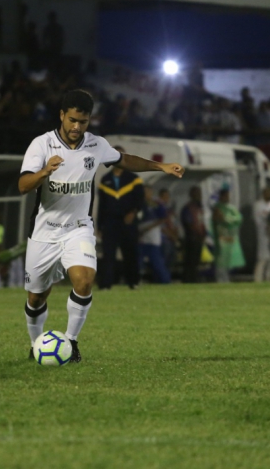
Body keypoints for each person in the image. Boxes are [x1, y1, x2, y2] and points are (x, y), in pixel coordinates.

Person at [18, 89, 184, 362]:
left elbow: (124, 159)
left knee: (84, 282)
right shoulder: (41, 145)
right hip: (44, 232)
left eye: (82, 122)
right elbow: (23, 186)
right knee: (36, 297)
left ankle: (70, 344)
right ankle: (36, 344)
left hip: (79, 228)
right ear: (61, 115)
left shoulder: (96, 145)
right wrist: (45, 172)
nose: (76, 127)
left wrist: (161, 166)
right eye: (72, 120)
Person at [97, 145, 145, 290]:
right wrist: (100, 226)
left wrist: (133, 212)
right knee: (108, 255)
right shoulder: (105, 180)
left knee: (130, 253)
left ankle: (133, 282)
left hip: (128, 221)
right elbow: (102, 206)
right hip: (110, 222)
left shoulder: (134, 179)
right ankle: (105, 285)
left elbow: (140, 200)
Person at [138, 185, 171, 284]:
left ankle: (165, 281)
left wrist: (149, 227)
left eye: (147, 192)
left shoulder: (156, 204)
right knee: (138, 261)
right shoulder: (138, 203)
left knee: (157, 261)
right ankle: (136, 280)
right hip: (140, 236)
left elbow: (163, 218)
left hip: (152, 236)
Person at [212, 188, 244, 283]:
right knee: (221, 259)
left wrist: (226, 218)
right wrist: (226, 219)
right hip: (221, 238)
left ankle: (226, 279)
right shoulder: (217, 207)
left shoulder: (231, 208)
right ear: (221, 196)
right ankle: (220, 280)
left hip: (231, 238)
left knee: (229, 259)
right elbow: (220, 219)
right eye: (226, 196)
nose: (228, 198)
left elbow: (239, 219)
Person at [180, 186, 207, 283]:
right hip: (192, 238)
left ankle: (194, 278)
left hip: (198, 238)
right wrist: (196, 233)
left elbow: (201, 222)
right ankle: (188, 279)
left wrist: (203, 233)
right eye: (197, 193)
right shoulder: (188, 208)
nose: (199, 196)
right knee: (190, 261)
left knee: (196, 261)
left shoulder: (198, 207)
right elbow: (188, 223)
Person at [253, 188, 270, 282]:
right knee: (263, 256)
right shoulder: (258, 204)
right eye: (267, 193)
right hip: (262, 232)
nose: (269, 195)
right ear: (263, 194)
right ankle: (258, 278)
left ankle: (268, 277)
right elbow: (263, 216)